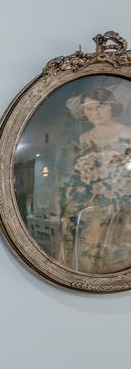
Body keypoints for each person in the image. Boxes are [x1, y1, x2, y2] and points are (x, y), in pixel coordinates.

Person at [61, 83, 131, 274]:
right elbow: (79, 169)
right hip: (91, 200)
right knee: (85, 240)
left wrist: (119, 186)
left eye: (101, 106)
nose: (96, 113)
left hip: (121, 199)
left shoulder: (127, 133)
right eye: (90, 109)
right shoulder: (85, 137)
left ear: (112, 107)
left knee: (114, 245)